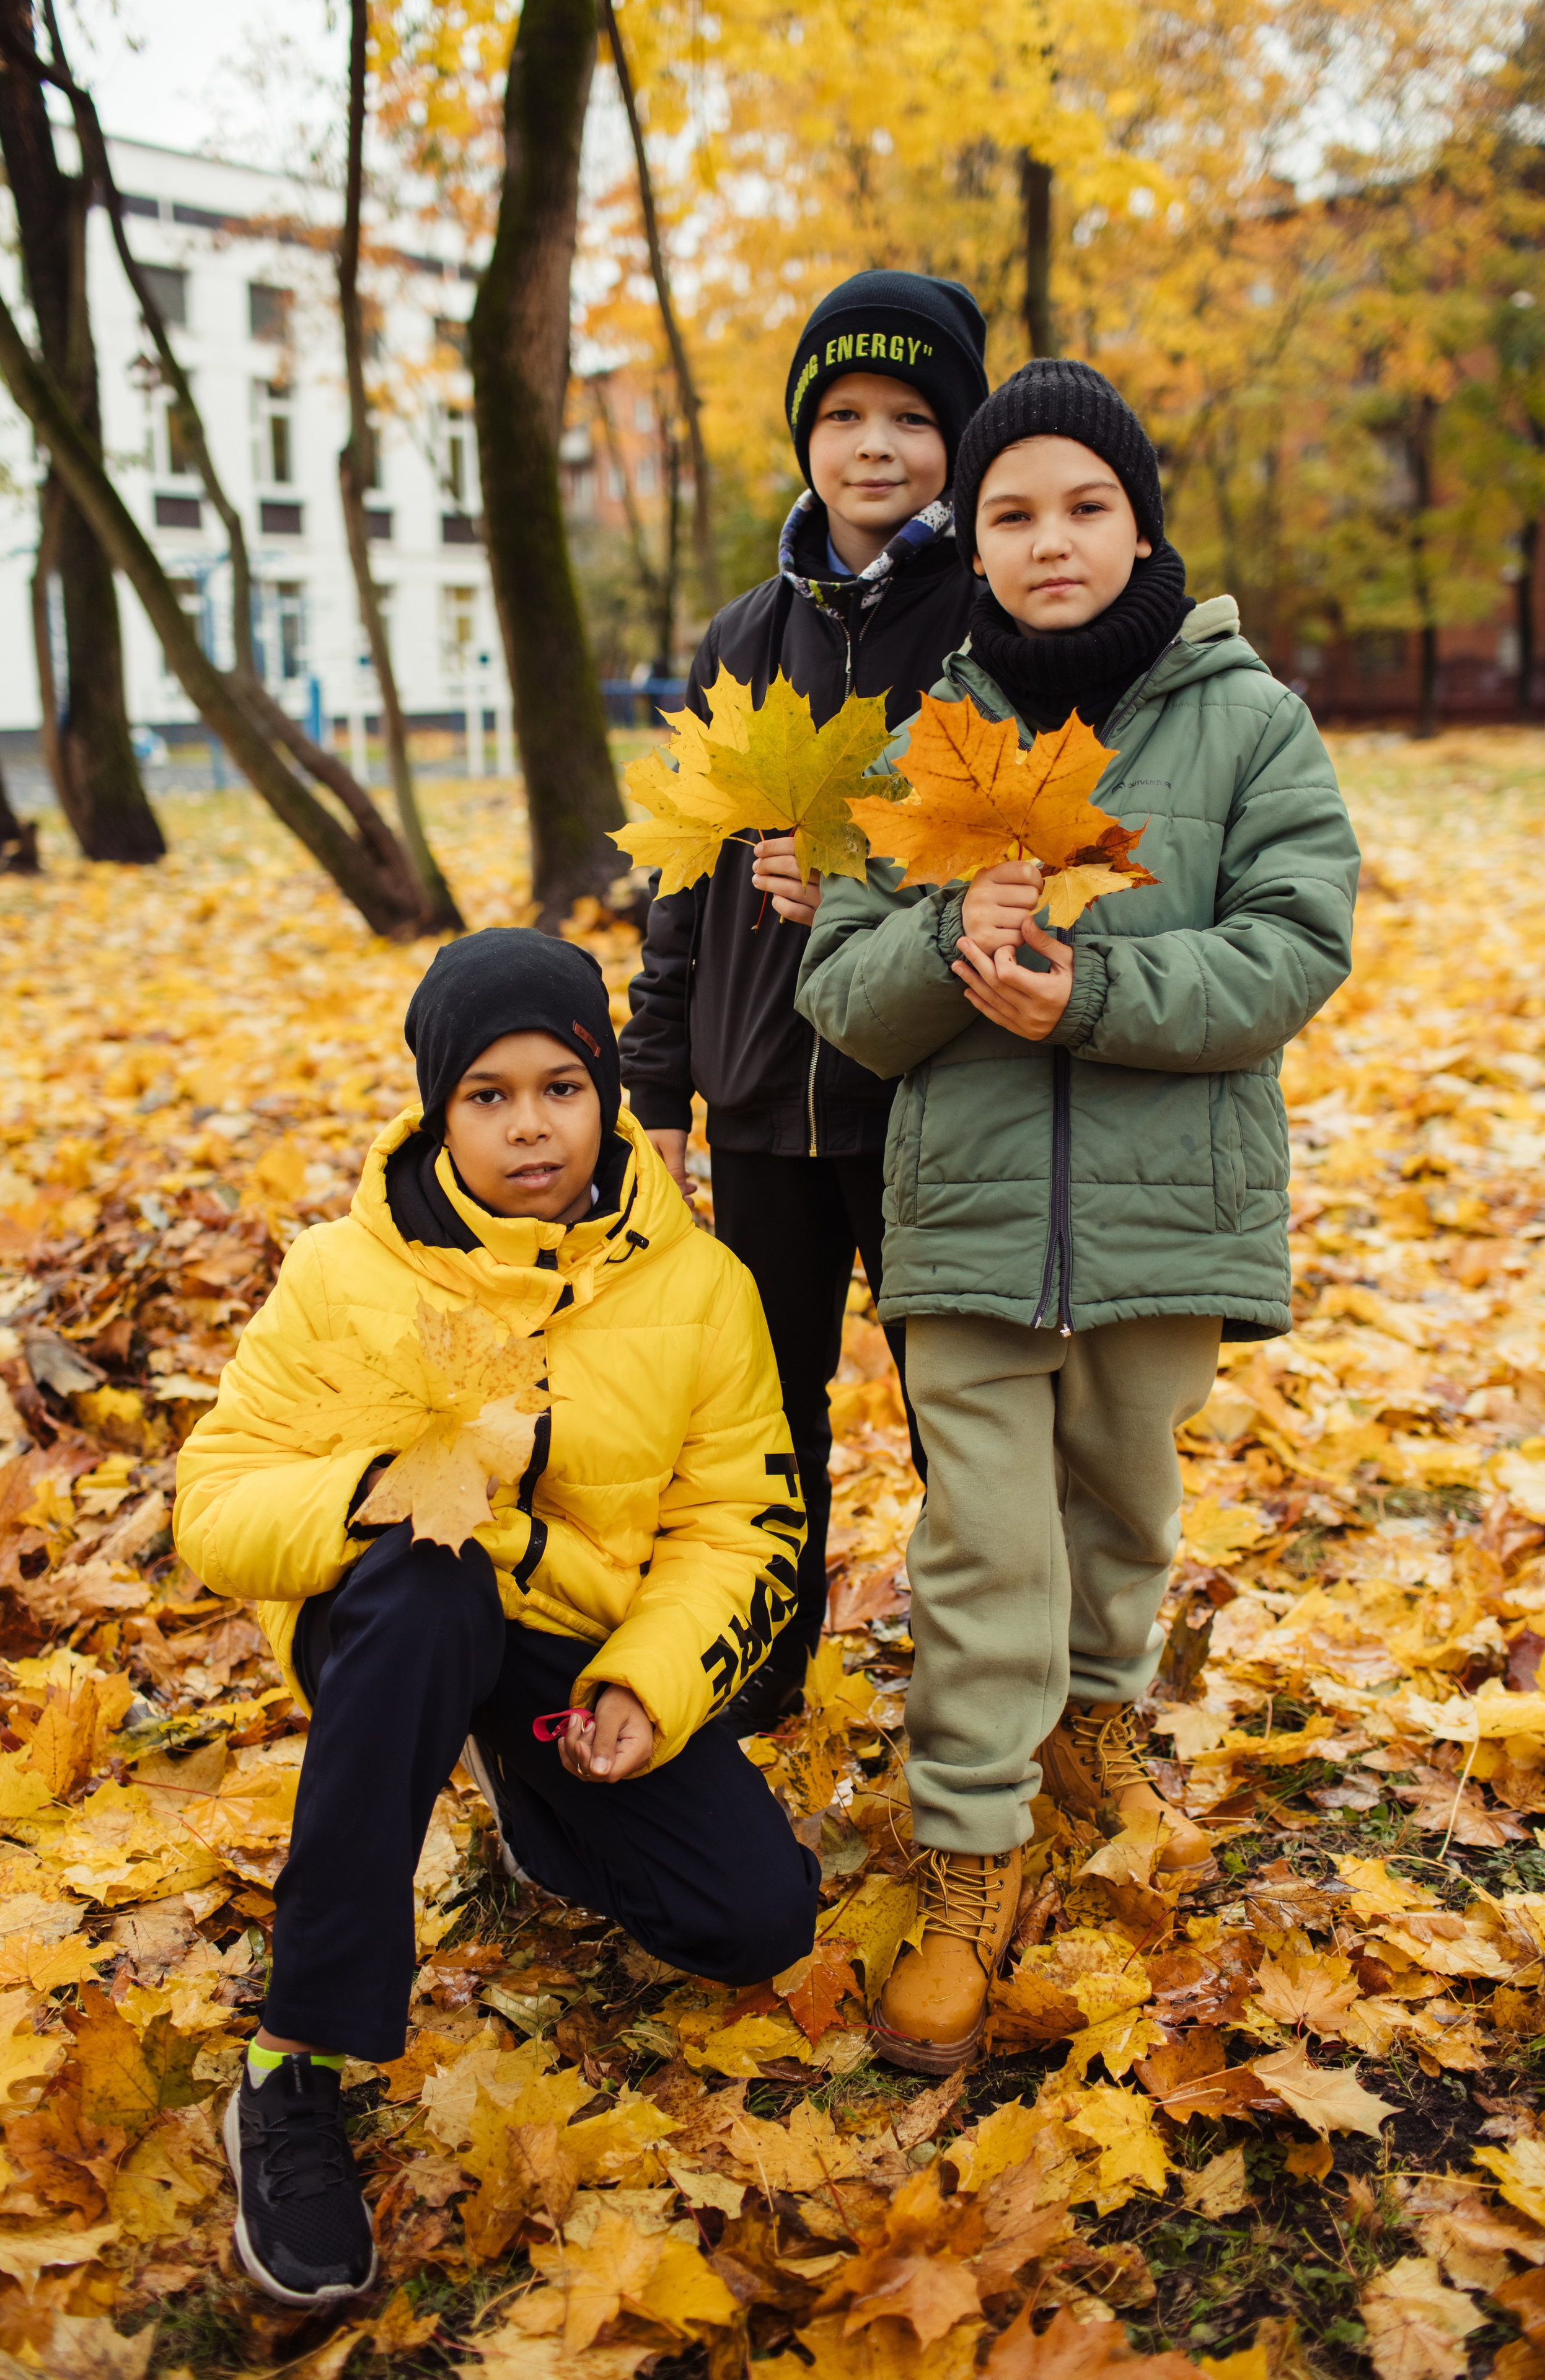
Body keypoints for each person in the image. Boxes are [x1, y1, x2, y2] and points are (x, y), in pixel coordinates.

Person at [796, 358, 1360, 2073]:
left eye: (1085, 507)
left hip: (1161, 1210)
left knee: (1121, 1504)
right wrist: (949, 949)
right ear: (978, 538)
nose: (1052, 543)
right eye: (1017, 513)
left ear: (1140, 521)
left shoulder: (1247, 718)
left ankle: (1098, 1723)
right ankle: (970, 1852)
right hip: (967, 1220)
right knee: (982, 1543)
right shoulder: (924, 746)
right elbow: (844, 988)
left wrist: (1088, 989)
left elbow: (1295, 943)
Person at [173, 930, 817, 2306]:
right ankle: (297, 2061)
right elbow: (213, 1505)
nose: (530, 1126)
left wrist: (653, 1683)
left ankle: (533, 1785)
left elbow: (743, 1527)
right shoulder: (346, 1274)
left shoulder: (700, 1288)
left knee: (754, 1922)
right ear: (434, 1109)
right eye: (487, 1096)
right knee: (426, 1580)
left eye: (560, 1087)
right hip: (399, 1624)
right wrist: (378, 1490)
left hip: (569, 1643)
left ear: (605, 1090)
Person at [620, 269, 989, 1732]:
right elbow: (678, 885)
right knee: (765, 1417)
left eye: (909, 415)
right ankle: (764, 1667)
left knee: (962, 1415)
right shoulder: (738, 640)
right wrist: (655, 1083)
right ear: (803, 436)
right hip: (762, 1101)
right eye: (841, 414)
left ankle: (980, 1684)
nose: (874, 444)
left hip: (930, 1100)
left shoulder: (980, 626)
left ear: (954, 440)